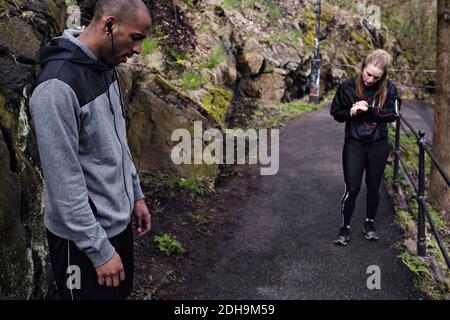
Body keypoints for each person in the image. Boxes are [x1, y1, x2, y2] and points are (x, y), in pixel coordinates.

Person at [30, 0, 152, 299]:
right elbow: (64, 185)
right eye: (135, 37)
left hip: (115, 226)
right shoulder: (56, 88)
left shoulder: (106, 65)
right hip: (82, 243)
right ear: (109, 24)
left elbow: (117, 140)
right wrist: (99, 251)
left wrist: (134, 194)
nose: (138, 50)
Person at [330, 49, 401, 246]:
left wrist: (369, 109)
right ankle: (344, 227)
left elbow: (393, 115)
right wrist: (351, 112)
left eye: (376, 77)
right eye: (368, 74)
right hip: (354, 144)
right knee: (352, 188)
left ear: (382, 76)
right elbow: (335, 112)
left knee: (373, 187)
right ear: (362, 67)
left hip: (378, 145)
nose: (370, 79)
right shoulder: (347, 87)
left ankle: (369, 223)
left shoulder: (389, 89)